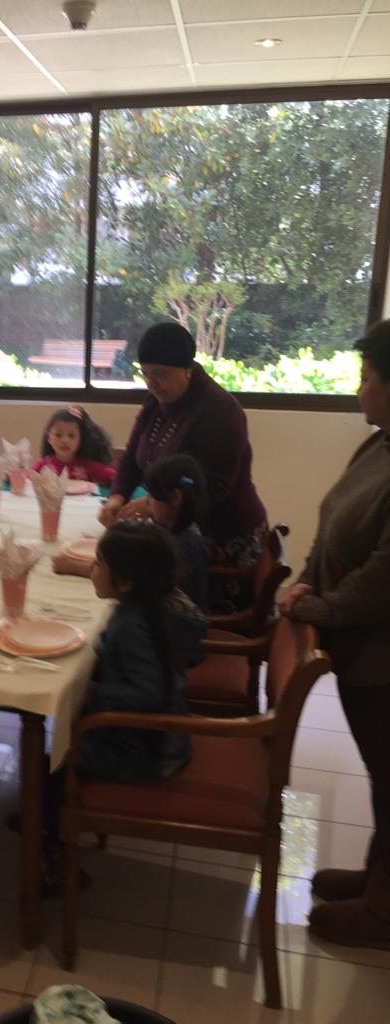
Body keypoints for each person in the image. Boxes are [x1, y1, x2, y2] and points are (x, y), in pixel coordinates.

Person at [279, 318, 390, 950]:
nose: (358, 390)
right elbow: (334, 523)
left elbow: (381, 578)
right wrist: (305, 582)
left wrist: (321, 607)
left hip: (382, 655)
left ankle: (384, 911)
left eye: (367, 378)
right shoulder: (378, 444)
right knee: (382, 770)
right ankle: (377, 877)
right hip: (357, 649)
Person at [42, 521, 206, 891]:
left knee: (50, 770)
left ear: (126, 583)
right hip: (156, 735)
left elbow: (148, 693)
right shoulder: (150, 606)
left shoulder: (132, 623)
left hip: (143, 748)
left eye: (98, 563)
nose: (91, 568)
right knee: (52, 761)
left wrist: (95, 692)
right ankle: (43, 819)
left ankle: (55, 857)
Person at [100, 323, 267, 572]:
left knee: (123, 570)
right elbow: (132, 459)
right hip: (173, 524)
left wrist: (152, 504)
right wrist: (116, 498)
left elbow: (215, 488)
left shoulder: (220, 410)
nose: (152, 384)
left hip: (222, 534)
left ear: (188, 369)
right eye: (146, 374)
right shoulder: (155, 402)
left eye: (160, 375)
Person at [52, 454, 209, 611]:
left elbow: (128, 577)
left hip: (170, 623)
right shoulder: (173, 530)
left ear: (175, 497)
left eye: (151, 496)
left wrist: (72, 566)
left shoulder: (183, 545)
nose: (147, 502)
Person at [32, 406, 115, 487]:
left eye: (71, 436)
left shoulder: (87, 465)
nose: (65, 441)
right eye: (58, 435)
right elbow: (29, 479)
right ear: (49, 438)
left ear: (81, 439)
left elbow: (116, 478)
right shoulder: (44, 463)